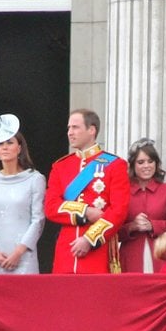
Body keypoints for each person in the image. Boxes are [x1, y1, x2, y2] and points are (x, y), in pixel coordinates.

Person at [45, 109, 130, 274]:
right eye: (69, 128)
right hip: (67, 250)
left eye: (75, 127)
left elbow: (119, 210)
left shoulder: (115, 165)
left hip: (98, 249)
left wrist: (90, 239)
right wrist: (86, 211)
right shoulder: (60, 166)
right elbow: (51, 207)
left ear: (92, 130)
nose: (70, 132)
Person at [0, 112, 46, 275]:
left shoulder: (35, 178)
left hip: (24, 254)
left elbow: (38, 219)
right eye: (0, 144)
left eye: (10, 142)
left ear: (19, 148)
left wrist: (19, 252)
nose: (5, 147)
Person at [118, 138, 166, 273]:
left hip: (162, 254)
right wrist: (132, 226)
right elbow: (113, 230)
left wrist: (153, 225)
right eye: (141, 162)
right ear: (133, 165)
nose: (146, 166)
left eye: (150, 161)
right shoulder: (122, 191)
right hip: (130, 255)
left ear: (156, 164)